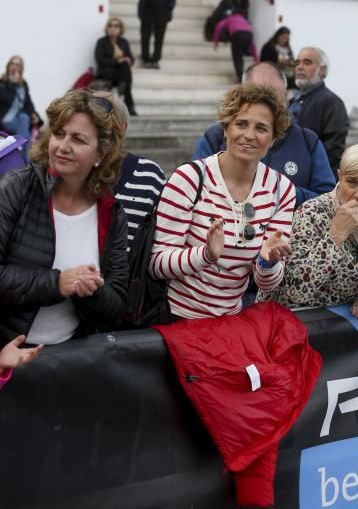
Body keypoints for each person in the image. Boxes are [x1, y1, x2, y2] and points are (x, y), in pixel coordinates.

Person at [150, 84, 296, 320]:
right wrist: (205, 255)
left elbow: (267, 284)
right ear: (225, 129)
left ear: (273, 138)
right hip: (176, 317)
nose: (249, 135)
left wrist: (268, 263)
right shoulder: (190, 178)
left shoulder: (281, 189)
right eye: (241, 124)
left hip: (230, 321)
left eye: (261, 128)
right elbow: (157, 264)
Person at [0, 89, 129, 347]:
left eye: (78, 139)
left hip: (67, 360)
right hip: (7, 355)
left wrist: (92, 290)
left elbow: (116, 307)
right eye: (58, 133)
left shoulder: (110, 212)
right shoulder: (18, 188)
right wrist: (56, 283)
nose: (63, 146)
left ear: (100, 155)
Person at [258, 144, 358, 323]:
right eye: (352, 182)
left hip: (339, 327)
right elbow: (296, 290)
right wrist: (336, 234)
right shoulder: (312, 212)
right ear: (340, 176)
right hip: (292, 322)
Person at [193, 62, 335, 208]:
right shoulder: (213, 138)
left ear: (286, 97)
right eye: (255, 96)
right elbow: (196, 190)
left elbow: (328, 199)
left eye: (272, 97)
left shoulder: (308, 141)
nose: (264, 105)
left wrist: (280, 192)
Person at [94, 92, 166, 251]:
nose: (99, 132)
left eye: (106, 124)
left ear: (123, 127)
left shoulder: (150, 176)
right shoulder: (69, 174)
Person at [289, 47, 349, 176]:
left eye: (307, 62)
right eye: (297, 63)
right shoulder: (293, 100)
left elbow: (333, 150)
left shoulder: (332, 102)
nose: (299, 67)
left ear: (323, 70)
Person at [0, 55, 42, 163]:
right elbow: (5, 99)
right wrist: (13, 84)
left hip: (20, 118)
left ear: (21, 68)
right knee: (25, 130)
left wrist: (34, 115)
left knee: (24, 117)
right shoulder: (2, 83)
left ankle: (21, 150)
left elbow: (28, 103)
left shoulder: (23, 84)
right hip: (6, 119)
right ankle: (27, 160)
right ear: (8, 66)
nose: (14, 66)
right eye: (12, 64)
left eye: (17, 65)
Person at [94, 17, 136, 116]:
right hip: (106, 73)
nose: (112, 28)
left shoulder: (123, 42)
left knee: (125, 67)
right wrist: (118, 61)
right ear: (107, 28)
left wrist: (129, 60)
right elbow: (100, 60)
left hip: (121, 74)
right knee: (125, 76)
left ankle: (123, 86)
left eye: (116, 26)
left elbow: (131, 57)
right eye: (110, 25)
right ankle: (130, 106)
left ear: (120, 29)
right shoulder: (101, 42)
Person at [213, 12, 256, 81]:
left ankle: (241, 79)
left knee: (237, 58)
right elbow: (253, 44)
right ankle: (245, 74)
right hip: (249, 35)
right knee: (240, 53)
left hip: (237, 35)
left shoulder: (229, 18)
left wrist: (216, 42)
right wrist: (256, 58)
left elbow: (219, 26)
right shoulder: (244, 20)